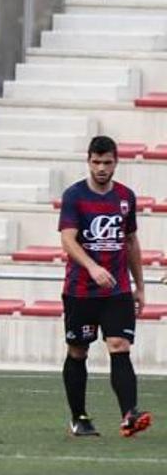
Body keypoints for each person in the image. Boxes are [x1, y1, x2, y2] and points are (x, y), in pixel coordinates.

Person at [58, 135, 151, 437]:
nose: (101, 168)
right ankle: (79, 417)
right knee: (78, 351)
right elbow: (68, 239)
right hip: (81, 290)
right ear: (88, 161)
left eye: (107, 162)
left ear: (116, 163)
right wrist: (93, 267)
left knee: (119, 346)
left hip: (117, 290)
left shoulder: (126, 197)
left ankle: (129, 414)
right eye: (96, 162)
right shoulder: (74, 196)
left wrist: (140, 285)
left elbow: (131, 242)